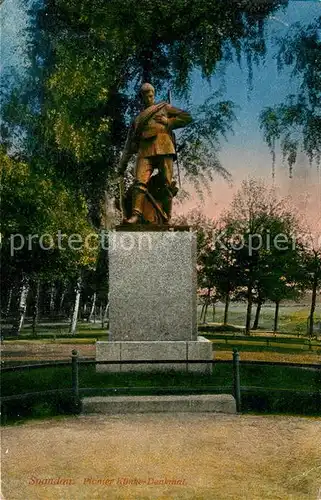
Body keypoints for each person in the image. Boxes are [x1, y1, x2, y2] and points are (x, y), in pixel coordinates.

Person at [118, 82, 192, 223]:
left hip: (163, 147)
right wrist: (122, 165)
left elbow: (187, 117)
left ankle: (167, 217)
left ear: (154, 95)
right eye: (146, 95)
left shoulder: (164, 108)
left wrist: (169, 122)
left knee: (166, 183)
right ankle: (136, 215)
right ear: (141, 97)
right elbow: (128, 145)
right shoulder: (137, 120)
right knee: (139, 182)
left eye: (151, 95)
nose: (149, 98)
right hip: (144, 151)